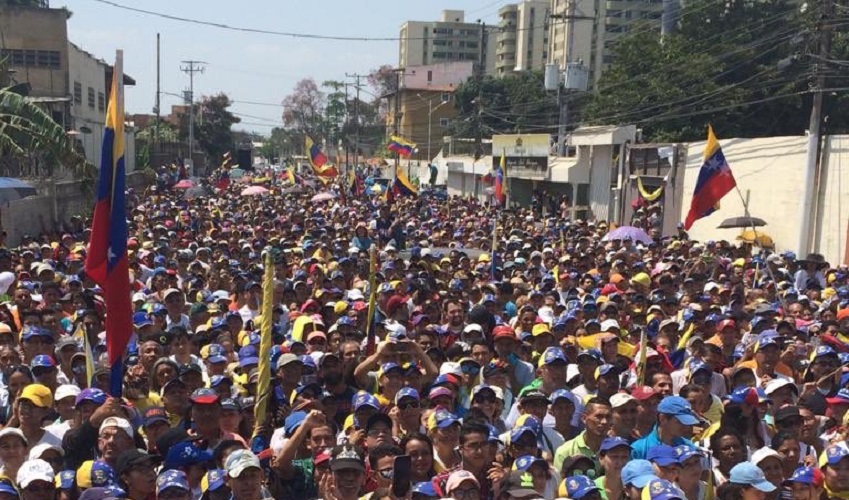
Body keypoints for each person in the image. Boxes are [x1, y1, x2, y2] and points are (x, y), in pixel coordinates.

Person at [554, 398, 612, 474]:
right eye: (599, 416)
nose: (604, 422)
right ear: (584, 418)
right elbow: (560, 484)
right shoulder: (565, 451)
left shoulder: (618, 451)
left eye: (608, 417)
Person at [631, 396, 698, 460]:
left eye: (687, 422)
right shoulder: (639, 450)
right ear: (662, 418)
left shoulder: (689, 447)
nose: (686, 428)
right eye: (679, 422)